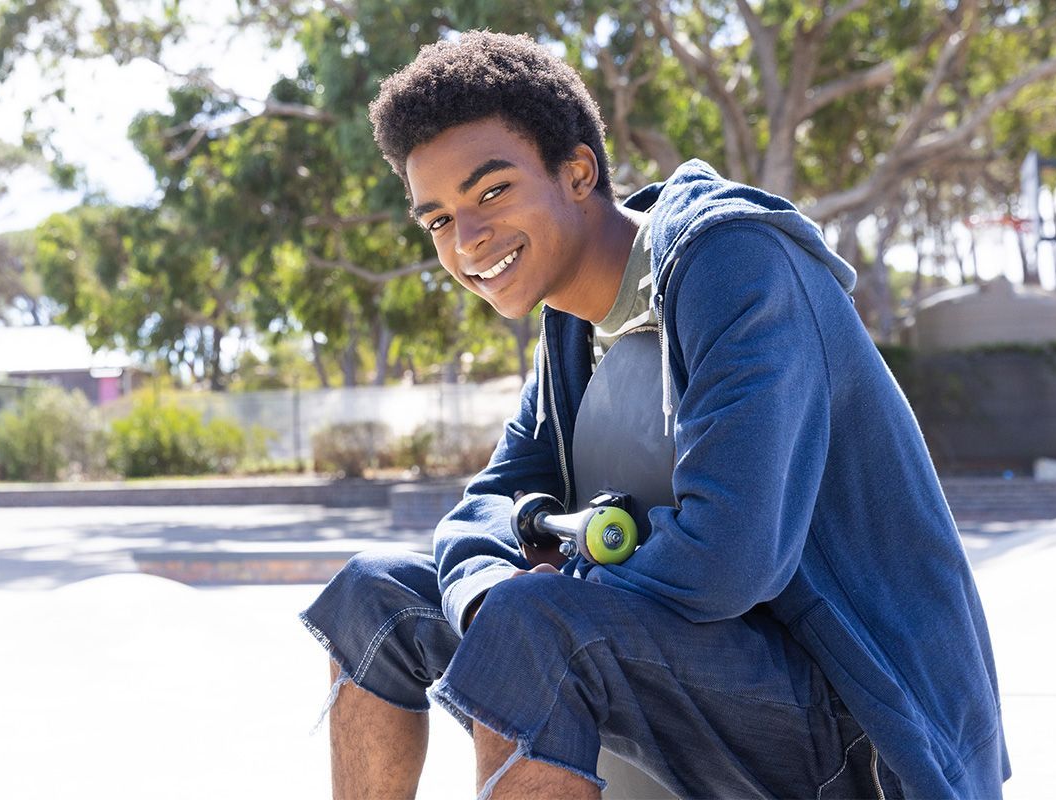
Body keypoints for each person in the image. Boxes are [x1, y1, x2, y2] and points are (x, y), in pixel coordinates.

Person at [300, 30, 1009, 800]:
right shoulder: (572, 325)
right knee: (372, 595)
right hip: (723, 679)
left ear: (578, 172)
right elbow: (493, 498)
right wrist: (483, 588)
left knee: (534, 623)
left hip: (862, 721)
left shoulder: (734, 265)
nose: (466, 241)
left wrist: (554, 580)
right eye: (438, 219)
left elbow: (730, 558)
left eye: (492, 191)